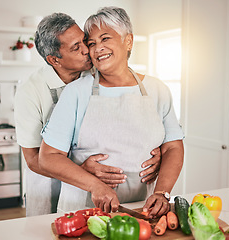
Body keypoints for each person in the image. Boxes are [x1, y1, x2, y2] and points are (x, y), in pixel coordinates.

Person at [38, 6, 184, 218]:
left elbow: (173, 146)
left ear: (128, 41)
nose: (98, 49)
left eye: (105, 39)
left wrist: (162, 192)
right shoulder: (76, 92)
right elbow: (48, 157)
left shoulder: (157, 89)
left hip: (143, 208)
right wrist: (95, 186)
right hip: (84, 208)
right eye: (92, 43)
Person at [14, 13, 161, 217]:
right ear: (54, 59)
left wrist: (153, 150)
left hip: (94, 187)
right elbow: (32, 159)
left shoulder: (93, 75)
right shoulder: (30, 92)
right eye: (76, 47)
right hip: (49, 185)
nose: (88, 50)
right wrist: (81, 169)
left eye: (85, 41)